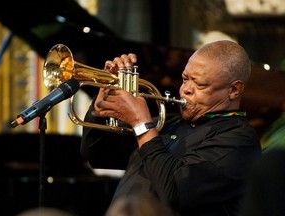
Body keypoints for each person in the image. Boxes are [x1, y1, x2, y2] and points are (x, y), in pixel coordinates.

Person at [80, 40, 261, 216]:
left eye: (200, 85)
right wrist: (102, 100)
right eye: (185, 79)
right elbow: (98, 154)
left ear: (234, 90)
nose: (185, 90)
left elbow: (175, 193)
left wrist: (141, 125)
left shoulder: (239, 140)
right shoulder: (166, 123)